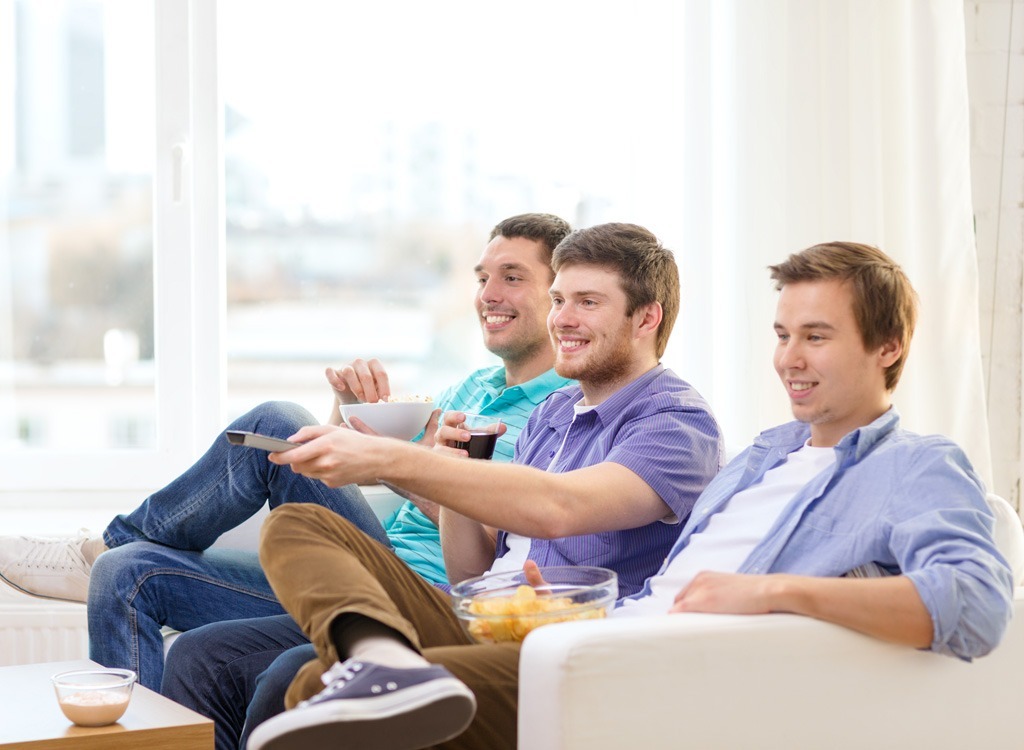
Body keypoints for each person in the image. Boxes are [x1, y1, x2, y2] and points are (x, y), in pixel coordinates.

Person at [247, 240, 1013, 750]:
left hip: (642, 672)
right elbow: (643, 574)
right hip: (590, 630)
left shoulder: (917, 465)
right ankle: (389, 665)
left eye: (816, 336)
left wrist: (775, 591)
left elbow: (973, 607)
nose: (789, 359)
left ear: (888, 348)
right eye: (781, 335)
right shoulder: (761, 458)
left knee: (312, 684)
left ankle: (389, 674)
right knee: (300, 526)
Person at [0, 213, 577, 696]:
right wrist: (346, 421)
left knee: (277, 418)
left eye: (511, 276)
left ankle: (107, 539)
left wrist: (393, 464)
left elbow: (499, 543)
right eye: (481, 278)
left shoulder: (562, 413)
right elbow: (365, 482)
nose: (488, 295)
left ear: (557, 297)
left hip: (423, 596)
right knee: (125, 574)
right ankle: (113, 575)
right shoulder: (469, 388)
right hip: (350, 572)